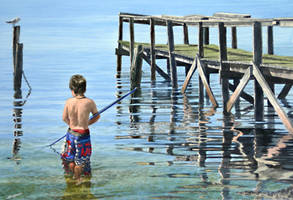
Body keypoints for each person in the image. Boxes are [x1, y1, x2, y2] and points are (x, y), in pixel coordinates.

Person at [61, 74, 100, 184]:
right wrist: (87, 123)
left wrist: (72, 125)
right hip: (83, 135)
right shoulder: (89, 102)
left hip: (71, 133)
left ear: (72, 89)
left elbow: (64, 118)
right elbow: (97, 116)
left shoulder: (69, 102)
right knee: (81, 161)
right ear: (85, 88)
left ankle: (73, 176)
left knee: (71, 158)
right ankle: (78, 179)